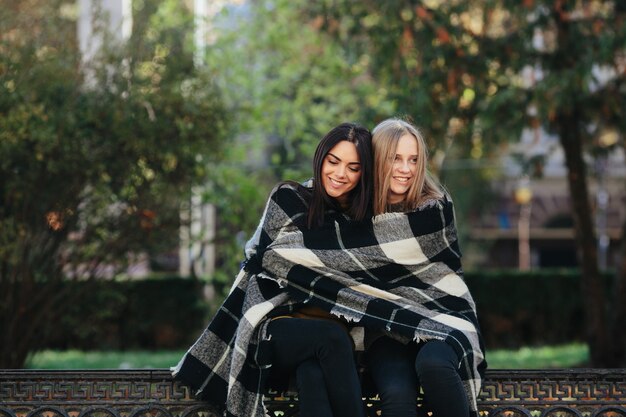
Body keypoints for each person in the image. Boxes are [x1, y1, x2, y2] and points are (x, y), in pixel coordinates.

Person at [172, 122, 373, 417]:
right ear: (321, 159)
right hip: (272, 326)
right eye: (333, 161)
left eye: (353, 167)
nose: (340, 173)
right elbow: (261, 262)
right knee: (330, 338)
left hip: (326, 343)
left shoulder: (367, 223)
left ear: (364, 173)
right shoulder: (289, 199)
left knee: (312, 374)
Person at [364, 117, 486, 417]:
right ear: (378, 160)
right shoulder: (356, 216)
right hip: (387, 327)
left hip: (444, 318)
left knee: (433, 365)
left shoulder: (434, 210)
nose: (407, 169)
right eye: (396, 159)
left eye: (414, 160)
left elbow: (444, 280)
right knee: (396, 394)